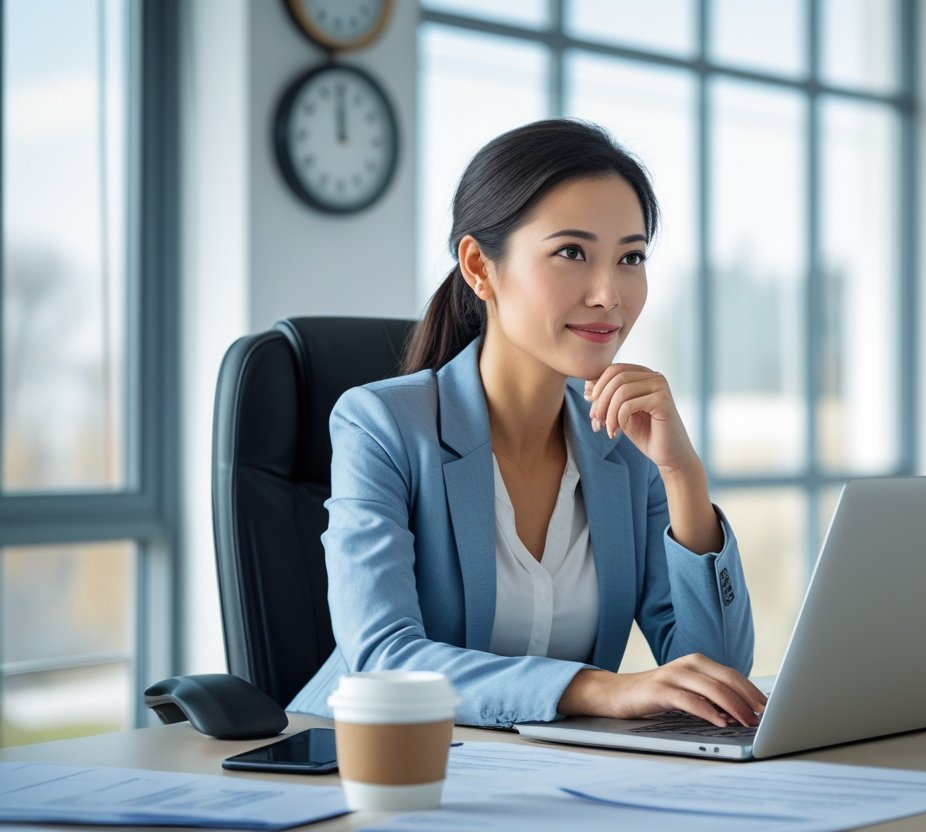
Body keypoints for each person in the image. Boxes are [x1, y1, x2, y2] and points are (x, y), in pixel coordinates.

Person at [289, 119, 764, 729]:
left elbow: (718, 677)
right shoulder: (381, 425)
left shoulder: (625, 444)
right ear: (479, 267)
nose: (607, 294)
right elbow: (384, 660)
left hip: (546, 784)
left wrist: (682, 475)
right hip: (364, 768)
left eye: (631, 257)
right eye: (572, 252)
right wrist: (597, 689)